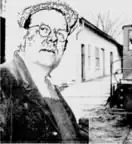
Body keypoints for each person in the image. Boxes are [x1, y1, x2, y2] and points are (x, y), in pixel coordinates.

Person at [0, 1, 88, 143]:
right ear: (25, 35)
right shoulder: (4, 82)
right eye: (44, 29)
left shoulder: (48, 85)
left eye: (60, 34)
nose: (53, 38)